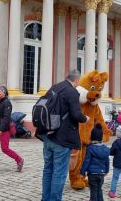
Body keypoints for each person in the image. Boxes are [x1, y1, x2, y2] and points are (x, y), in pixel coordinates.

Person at [37, 69, 89, 201]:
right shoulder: (72, 92)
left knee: (48, 169)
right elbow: (76, 114)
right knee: (59, 173)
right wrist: (85, 119)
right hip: (62, 138)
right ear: (76, 80)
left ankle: (45, 198)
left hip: (48, 134)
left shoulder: (55, 87)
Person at [80, 124, 110, 201]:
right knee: (99, 189)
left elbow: (86, 161)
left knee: (93, 190)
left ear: (92, 137)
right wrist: (106, 170)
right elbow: (107, 161)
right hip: (101, 174)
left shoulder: (90, 148)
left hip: (92, 174)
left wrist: (82, 172)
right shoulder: (105, 148)